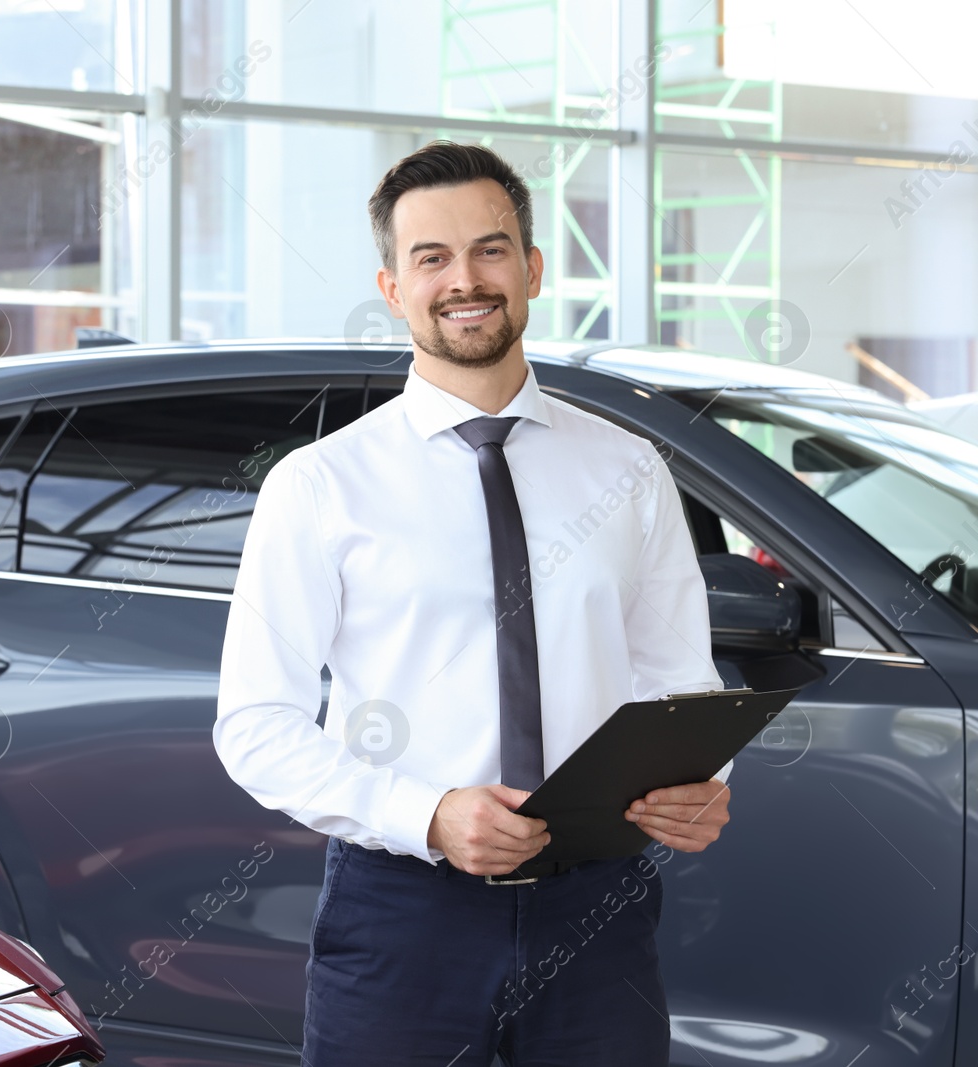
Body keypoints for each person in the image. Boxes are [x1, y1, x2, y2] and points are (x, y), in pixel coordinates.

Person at [212, 140, 732, 1065]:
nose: (466, 280)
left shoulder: (628, 468)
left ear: (531, 269)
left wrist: (705, 788)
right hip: (405, 910)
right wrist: (429, 814)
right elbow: (255, 723)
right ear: (392, 285)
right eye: (432, 258)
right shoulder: (323, 483)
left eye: (491, 249)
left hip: (597, 904)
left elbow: (676, 680)